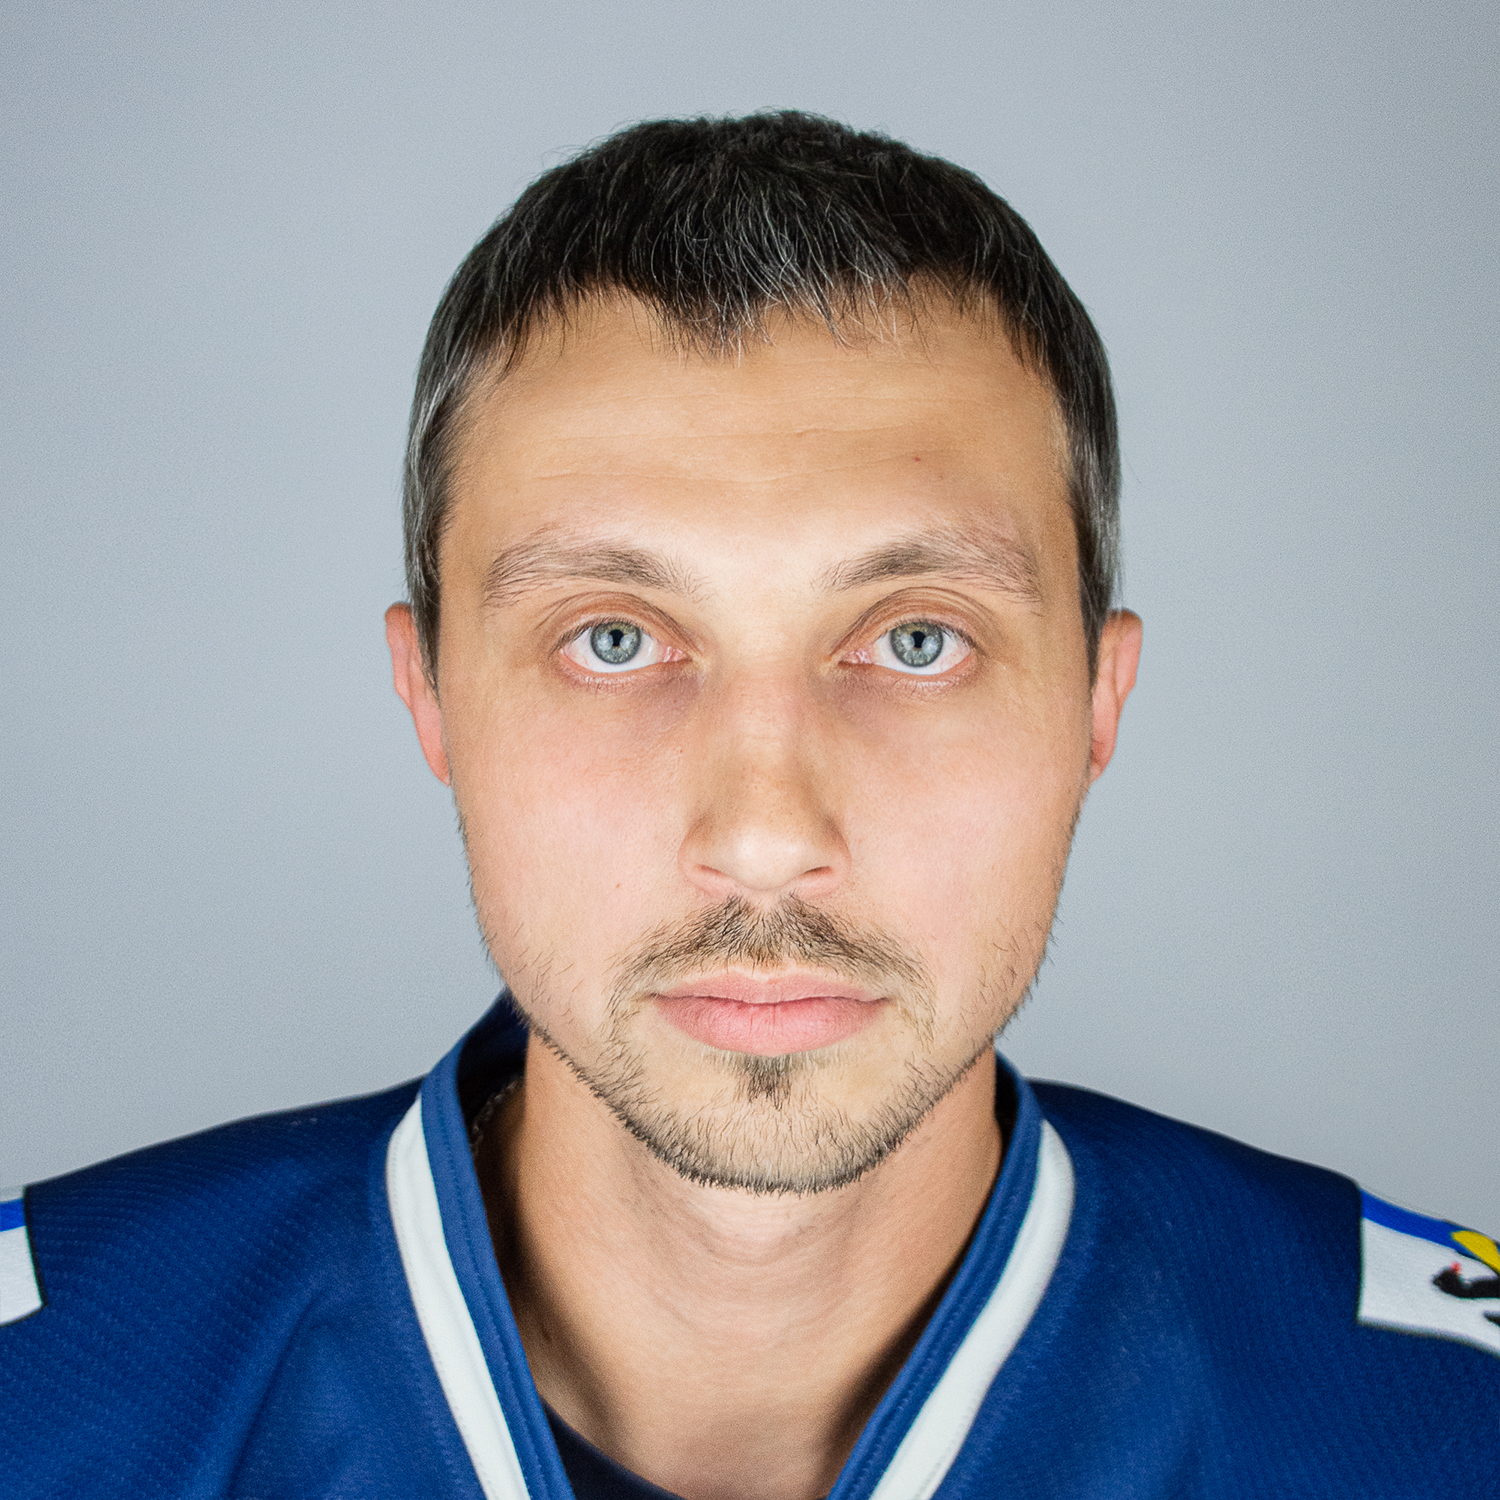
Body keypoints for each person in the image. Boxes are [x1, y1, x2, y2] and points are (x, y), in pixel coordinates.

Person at [2, 111, 1495, 1499]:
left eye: (918, 641)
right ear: (432, 696)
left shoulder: (1438, 1421)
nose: (767, 836)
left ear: (1095, 706)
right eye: (613, 640)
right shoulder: (47, 1394)